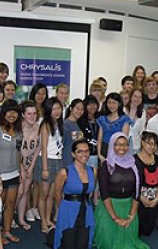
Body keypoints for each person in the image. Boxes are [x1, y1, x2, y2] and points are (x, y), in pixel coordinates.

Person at [94, 132, 149, 249]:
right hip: (109, 208)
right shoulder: (106, 165)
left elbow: (137, 191)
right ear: (112, 146)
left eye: (125, 144)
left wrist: (131, 215)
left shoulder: (136, 164)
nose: (122, 148)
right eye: (117, 144)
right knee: (108, 245)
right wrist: (116, 218)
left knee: (130, 245)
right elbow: (104, 193)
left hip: (129, 207)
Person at [0, 99, 22, 243]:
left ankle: (7, 231)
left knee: (10, 204)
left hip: (14, 173)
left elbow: (18, 152)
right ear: (4, 113)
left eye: (15, 111)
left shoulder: (19, 132)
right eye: (9, 111)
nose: (12, 114)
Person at [54, 140, 97, 249]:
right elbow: (57, 194)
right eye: (80, 151)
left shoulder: (93, 171)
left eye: (87, 151)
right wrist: (64, 209)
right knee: (68, 244)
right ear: (73, 154)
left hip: (86, 212)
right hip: (68, 212)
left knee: (83, 245)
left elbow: (90, 192)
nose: (84, 155)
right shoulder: (64, 172)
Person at [34, 97, 64, 233]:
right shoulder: (45, 124)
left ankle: (47, 218)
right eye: (53, 109)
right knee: (43, 195)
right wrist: (45, 168)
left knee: (52, 194)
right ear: (48, 110)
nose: (56, 111)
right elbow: (44, 147)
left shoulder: (58, 123)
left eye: (58, 108)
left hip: (58, 160)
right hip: (46, 161)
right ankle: (43, 222)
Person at [16, 100, 41, 228]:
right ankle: (8, 216)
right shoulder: (18, 128)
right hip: (17, 165)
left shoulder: (38, 128)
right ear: (23, 115)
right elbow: (16, 150)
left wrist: (30, 168)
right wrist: (21, 169)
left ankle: (21, 218)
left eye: (34, 113)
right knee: (19, 191)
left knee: (25, 191)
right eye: (29, 114)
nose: (32, 116)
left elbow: (38, 149)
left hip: (29, 165)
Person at [135, 131, 158, 237]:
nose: (152, 146)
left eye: (155, 144)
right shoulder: (134, 160)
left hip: (154, 195)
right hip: (138, 195)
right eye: (149, 143)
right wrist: (141, 198)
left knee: (147, 231)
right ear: (142, 142)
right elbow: (133, 182)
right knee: (138, 230)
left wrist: (156, 199)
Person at [77, 95, 100, 204]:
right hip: (85, 155)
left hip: (98, 154)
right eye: (89, 104)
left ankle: (95, 199)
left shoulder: (100, 119)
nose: (92, 107)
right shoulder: (81, 120)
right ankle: (85, 199)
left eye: (94, 104)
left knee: (96, 179)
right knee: (86, 178)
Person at [97, 93, 131, 162]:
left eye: (114, 103)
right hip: (104, 149)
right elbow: (99, 139)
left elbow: (124, 139)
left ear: (119, 104)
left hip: (118, 150)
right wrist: (99, 154)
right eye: (109, 103)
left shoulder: (124, 119)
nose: (111, 105)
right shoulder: (102, 119)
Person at [63, 99, 84, 166]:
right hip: (67, 160)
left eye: (82, 109)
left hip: (76, 161)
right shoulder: (65, 124)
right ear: (71, 108)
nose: (79, 111)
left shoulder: (77, 124)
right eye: (77, 108)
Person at [125, 88, 146, 154]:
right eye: (135, 96)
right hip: (123, 145)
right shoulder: (123, 110)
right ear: (130, 97)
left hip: (136, 146)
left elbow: (142, 130)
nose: (137, 99)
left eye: (140, 97)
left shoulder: (143, 112)